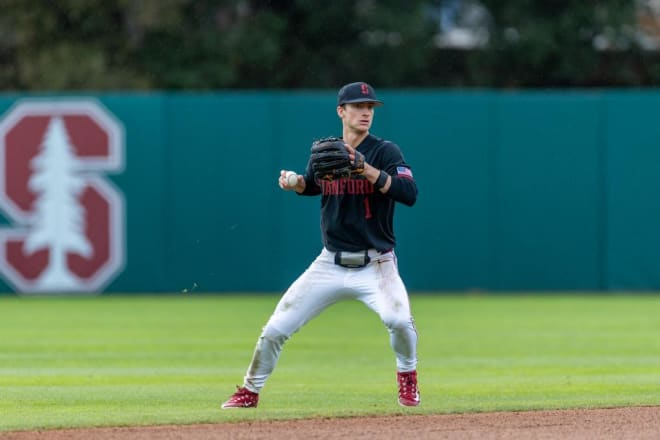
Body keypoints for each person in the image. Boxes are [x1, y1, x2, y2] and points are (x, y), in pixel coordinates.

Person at [221, 82, 420, 409]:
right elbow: (312, 185)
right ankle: (249, 392)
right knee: (275, 328)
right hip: (330, 263)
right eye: (358, 106)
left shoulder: (385, 152)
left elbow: (408, 193)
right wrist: (295, 182)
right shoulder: (327, 150)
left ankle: (407, 376)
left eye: (370, 107)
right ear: (341, 111)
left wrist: (365, 169)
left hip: (377, 264)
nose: (366, 112)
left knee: (398, 320)